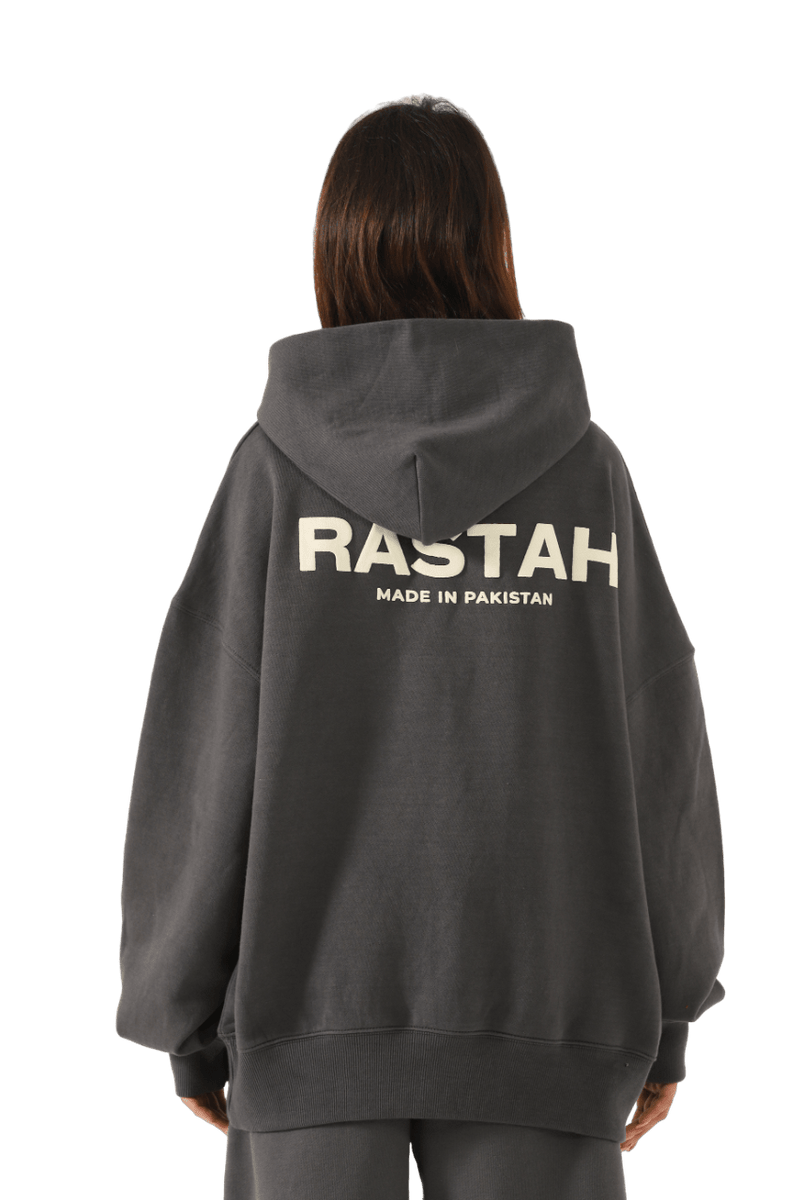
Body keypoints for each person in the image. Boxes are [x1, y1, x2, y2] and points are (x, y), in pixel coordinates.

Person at [115, 93, 726, 1199]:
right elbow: (661, 744)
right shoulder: (585, 474)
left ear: (334, 243)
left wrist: (185, 1014)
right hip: (546, 1021)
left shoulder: (274, 474)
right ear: (492, 242)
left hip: (311, 1017)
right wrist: (668, 1013)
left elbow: (204, 744)